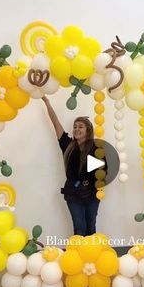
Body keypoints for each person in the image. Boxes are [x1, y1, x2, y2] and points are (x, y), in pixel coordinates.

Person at [42, 96, 104, 236]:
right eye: (75, 127)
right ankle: (79, 256)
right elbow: (55, 122)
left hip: (92, 193)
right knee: (79, 228)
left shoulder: (97, 149)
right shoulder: (67, 144)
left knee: (91, 228)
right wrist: (47, 102)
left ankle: (92, 255)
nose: (76, 129)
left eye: (80, 127)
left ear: (88, 130)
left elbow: (103, 172)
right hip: (73, 192)